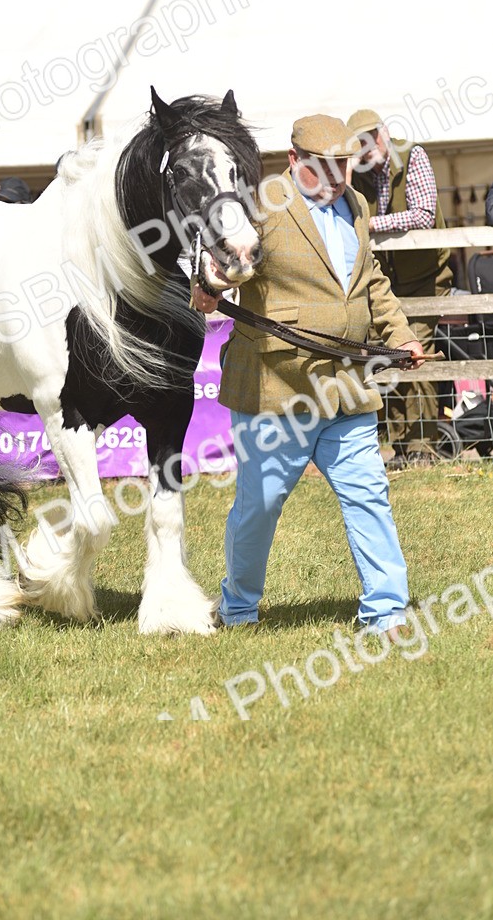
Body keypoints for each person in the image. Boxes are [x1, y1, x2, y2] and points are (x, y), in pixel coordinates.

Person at [192, 114, 425, 634]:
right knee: (261, 504)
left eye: (343, 165)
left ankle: (386, 611)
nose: (338, 178)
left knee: (368, 494)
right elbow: (226, 261)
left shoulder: (358, 204)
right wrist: (210, 286)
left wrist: (400, 335)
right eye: (324, 169)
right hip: (278, 388)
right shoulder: (260, 205)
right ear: (294, 162)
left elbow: (371, 281)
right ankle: (238, 607)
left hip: (347, 385)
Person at [348, 109, 452, 469]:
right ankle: (399, 449)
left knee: (415, 352)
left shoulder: (413, 155)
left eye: (370, 138)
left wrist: (373, 223)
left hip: (426, 278)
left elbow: (423, 214)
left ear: (384, 133)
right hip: (385, 284)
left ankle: (423, 445)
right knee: (388, 354)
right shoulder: (356, 175)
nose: (366, 148)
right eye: (358, 143)